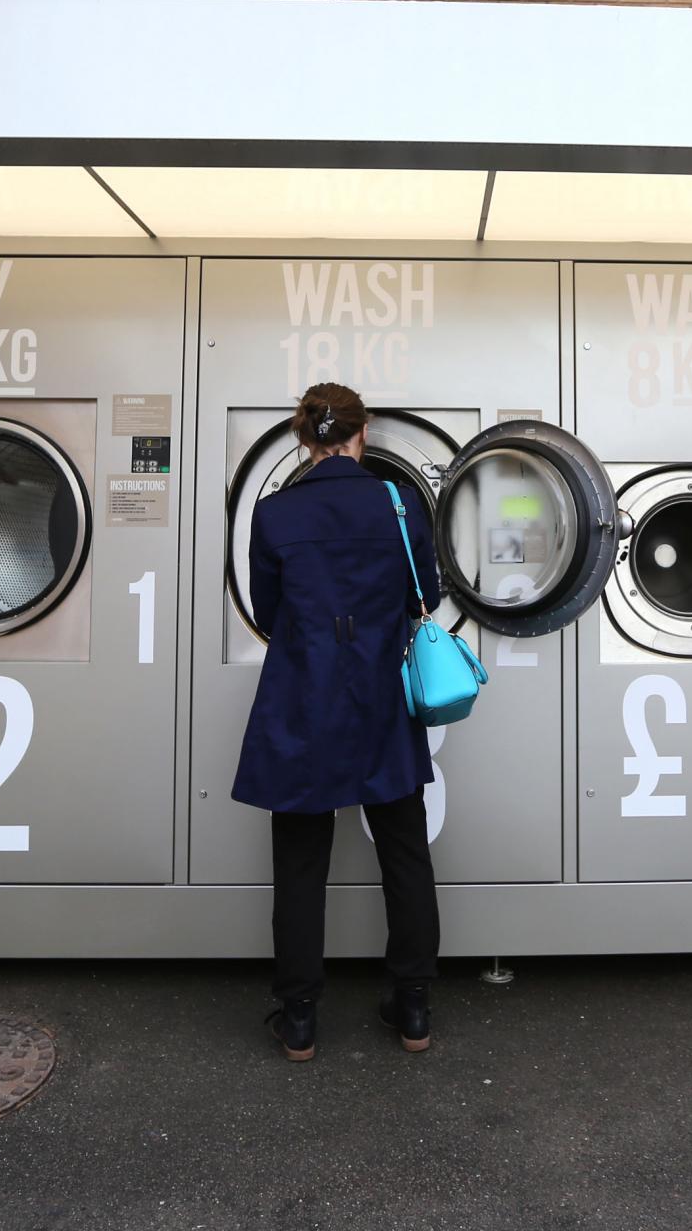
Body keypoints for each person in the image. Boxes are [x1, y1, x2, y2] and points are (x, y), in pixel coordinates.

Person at [232, 382, 444, 1061]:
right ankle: (412, 1008)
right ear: (364, 432)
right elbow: (425, 597)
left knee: (300, 861)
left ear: (303, 438)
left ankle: (298, 1018)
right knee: (405, 851)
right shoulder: (400, 502)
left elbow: (268, 614)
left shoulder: (274, 515)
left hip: (303, 700)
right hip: (380, 696)